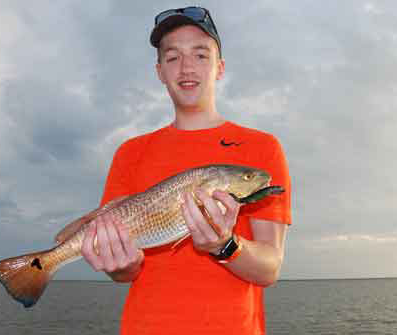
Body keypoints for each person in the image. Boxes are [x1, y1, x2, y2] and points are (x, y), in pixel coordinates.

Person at [81, 6, 291, 334]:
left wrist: (225, 245)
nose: (187, 67)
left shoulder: (262, 148)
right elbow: (123, 272)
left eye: (201, 55)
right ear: (160, 71)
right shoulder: (129, 152)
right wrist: (122, 265)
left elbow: (269, 268)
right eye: (173, 57)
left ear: (220, 68)